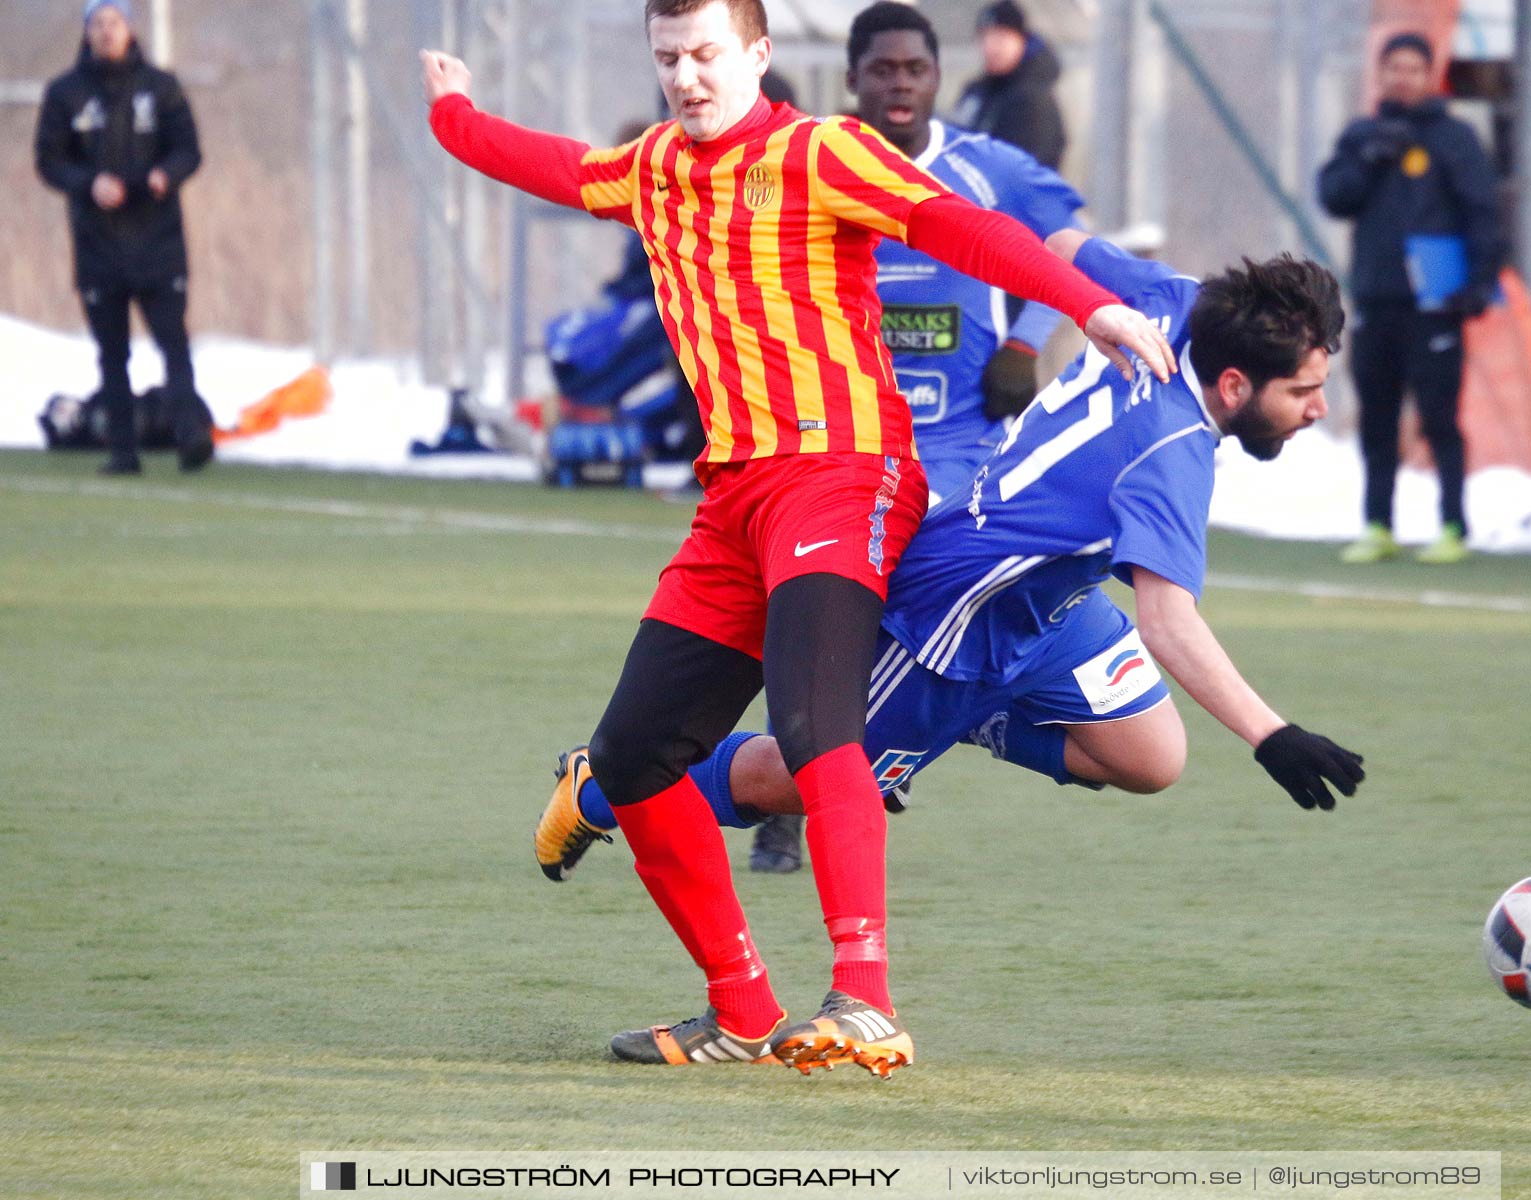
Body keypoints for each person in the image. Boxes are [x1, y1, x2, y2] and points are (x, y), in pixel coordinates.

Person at [423, 0, 1174, 1078]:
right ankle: (737, 1009)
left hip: (844, 473)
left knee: (820, 724)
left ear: (761, 55)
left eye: (708, 55)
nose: (687, 78)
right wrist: (453, 112)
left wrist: (1088, 306)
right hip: (733, 501)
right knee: (635, 758)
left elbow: (965, 227)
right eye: (669, 58)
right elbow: (548, 163)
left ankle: (865, 998)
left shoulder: (821, 152)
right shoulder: (652, 171)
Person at [558, 233, 1369, 1054]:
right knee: (799, 777)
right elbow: (1168, 622)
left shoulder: (1177, 298)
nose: (1319, 408)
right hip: (954, 617)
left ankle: (972, 721)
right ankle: (604, 786)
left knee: (1151, 757)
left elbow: (1060, 243)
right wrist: (1272, 734)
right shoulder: (1171, 457)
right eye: (1305, 391)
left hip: (1051, 606)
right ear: (1234, 383)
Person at [747, 1, 1087, 877]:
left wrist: (1023, 342)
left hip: (960, 456)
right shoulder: (813, 166)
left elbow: (1068, 246)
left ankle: (857, 766)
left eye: (916, 69)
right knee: (812, 618)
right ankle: (798, 792)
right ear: (852, 77)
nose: (900, 84)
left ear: (939, 76)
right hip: (840, 447)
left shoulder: (981, 167)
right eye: (883, 70)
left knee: (920, 621)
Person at [1316, 31, 1502, 565]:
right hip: (1377, 300)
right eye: (1392, 68)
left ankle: (1453, 526)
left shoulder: (1454, 139)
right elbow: (1334, 196)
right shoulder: (1363, 135)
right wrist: (1369, 159)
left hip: (1437, 306)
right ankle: (1378, 524)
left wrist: (1477, 284)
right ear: (1381, 74)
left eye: (1412, 69)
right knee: (1377, 417)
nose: (1402, 78)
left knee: (1439, 417)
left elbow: (1484, 215)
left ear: (1430, 75)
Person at [34, 0, 211, 475]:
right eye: (98, 23)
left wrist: (164, 176)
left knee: (173, 343)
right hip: (99, 244)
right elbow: (49, 161)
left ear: (130, 28)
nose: (107, 32)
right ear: (87, 31)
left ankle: (191, 434)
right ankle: (122, 451)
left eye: (115, 22)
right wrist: (87, 184)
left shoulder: (161, 87)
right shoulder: (65, 93)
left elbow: (189, 150)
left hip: (158, 241)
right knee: (112, 353)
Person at [950, 0, 1067, 171]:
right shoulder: (977, 91)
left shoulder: (1033, 100)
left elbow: (1027, 170)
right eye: (984, 37)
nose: (991, 47)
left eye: (1001, 37)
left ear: (1022, 40)